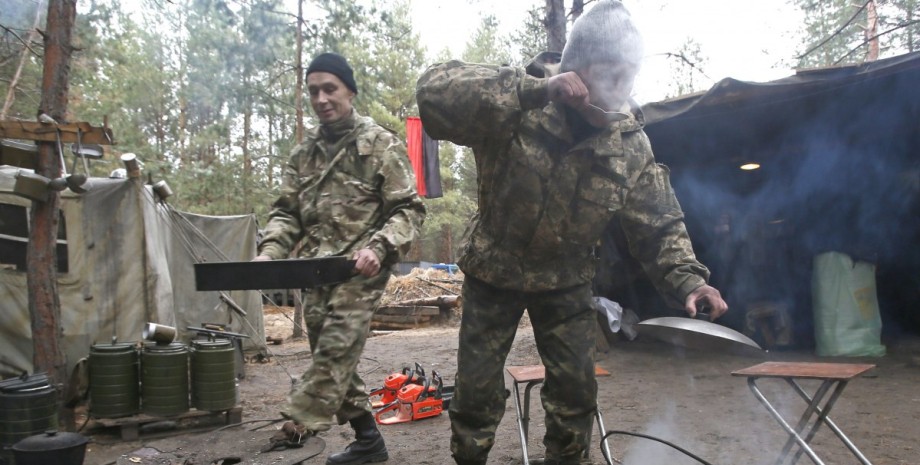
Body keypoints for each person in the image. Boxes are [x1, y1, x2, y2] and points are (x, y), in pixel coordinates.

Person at [415, 2, 728, 464]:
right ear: (577, 69)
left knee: (575, 396)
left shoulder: (629, 144)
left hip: (565, 280)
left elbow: (658, 222)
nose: (621, 91)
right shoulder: (522, 104)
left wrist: (689, 280)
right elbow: (433, 94)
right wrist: (533, 91)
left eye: (630, 76)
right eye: (609, 74)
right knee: (477, 397)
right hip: (494, 271)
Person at [255, 52, 426, 464]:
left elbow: (409, 209)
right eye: (313, 91)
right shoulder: (303, 155)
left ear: (350, 90)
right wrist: (270, 253)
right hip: (315, 272)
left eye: (330, 88)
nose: (321, 98)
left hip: (362, 268)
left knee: (336, 345)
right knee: (333, 358)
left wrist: (379, 247)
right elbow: (286, 213)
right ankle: (368, 441)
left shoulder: (379, 144)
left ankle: (300, 417)